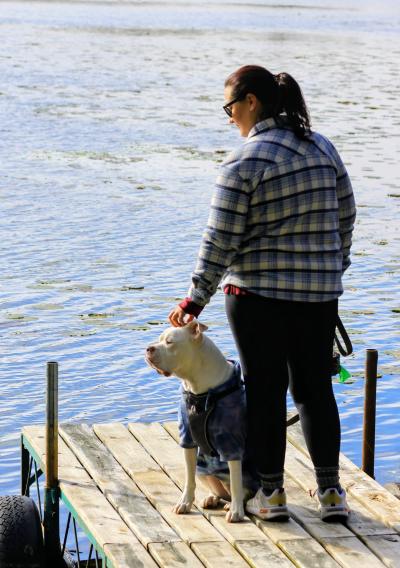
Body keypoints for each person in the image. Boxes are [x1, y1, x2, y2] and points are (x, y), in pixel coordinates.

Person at [168, 65, 356, 522]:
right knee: (315, 390)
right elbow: (346, 215)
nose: (230, 117)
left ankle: (272, 496)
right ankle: (331, 493)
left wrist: (194, 299)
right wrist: (333, 266)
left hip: (256, 297)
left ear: (252, 102)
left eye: (230, 108)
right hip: (318, 295)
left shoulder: (243, 162)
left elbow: (219, 240)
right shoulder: (322, 148)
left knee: (266, 391)